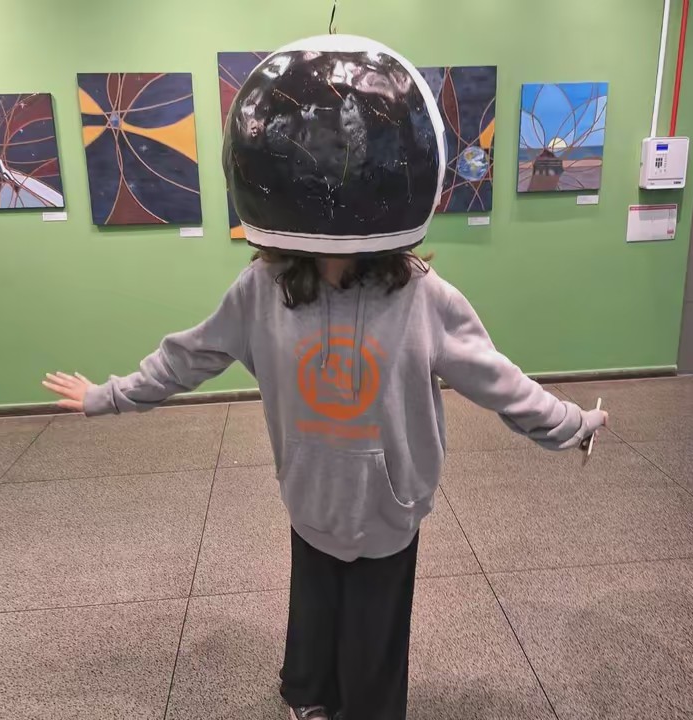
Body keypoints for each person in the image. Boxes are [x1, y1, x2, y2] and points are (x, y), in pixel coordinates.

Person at [43, 36, 608, 720]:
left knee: (374, 631)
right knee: (313, 607)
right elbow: (188, 357)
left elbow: (500, 383)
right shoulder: (262, 290)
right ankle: (308, 696)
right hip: (311, 497)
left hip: (389, 507)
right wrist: (107, 396)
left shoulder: (423, 299)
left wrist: (572, 424)